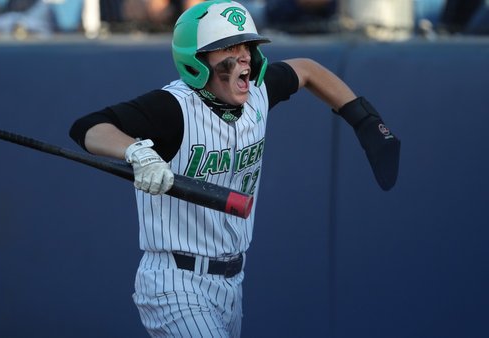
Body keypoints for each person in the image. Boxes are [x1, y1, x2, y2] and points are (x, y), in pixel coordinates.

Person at [69, 0, 400, 336]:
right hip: (175, 282)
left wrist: (363, 118)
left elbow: (308, 70)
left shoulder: (257, 91)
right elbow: (89, 126)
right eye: (228, 47)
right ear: (197, 60)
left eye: (246, 45)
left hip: (231, 282)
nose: (244, 56)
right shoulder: (173, 107)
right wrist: (136, 152)